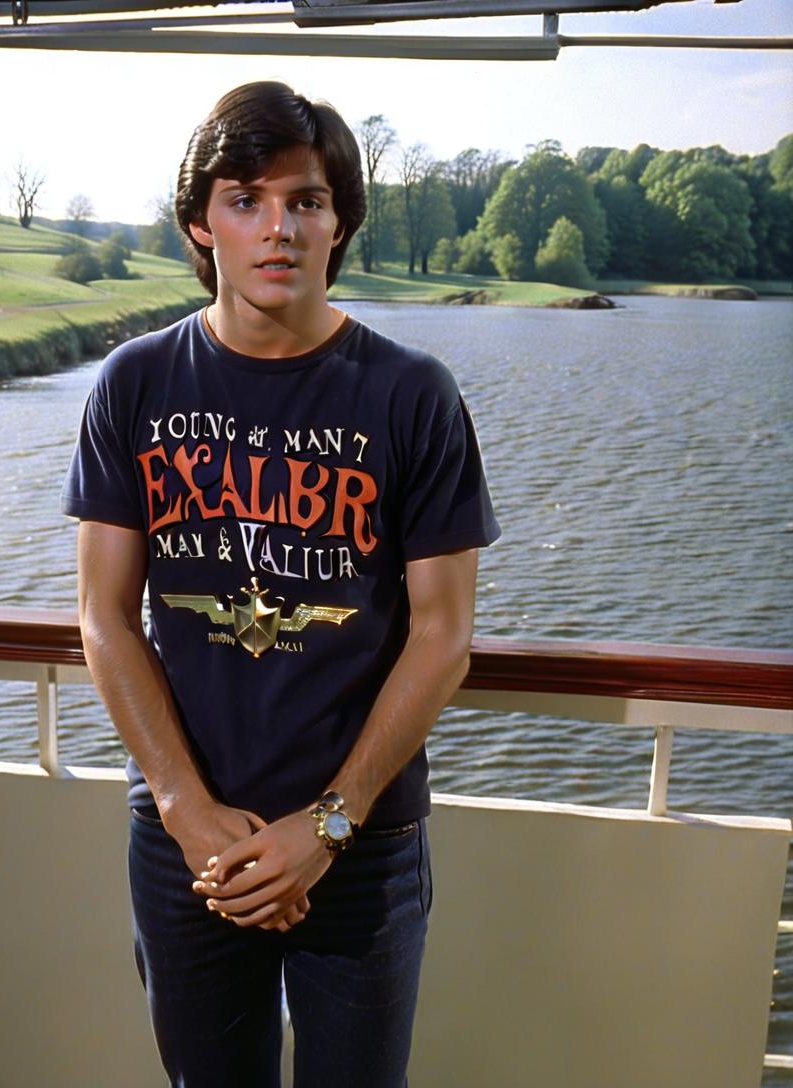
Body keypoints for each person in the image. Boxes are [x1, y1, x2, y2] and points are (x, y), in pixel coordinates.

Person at [61, 80, 500, 1087]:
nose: (278, 228)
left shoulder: (409, 393)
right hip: (188, 840)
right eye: (245, 198)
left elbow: (441, 634)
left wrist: (329, 824)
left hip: (362, 843)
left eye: (305, 199)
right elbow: (102, 615)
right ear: (198, 222)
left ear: (339, 218)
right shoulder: (134, 385)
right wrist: (182, 803)